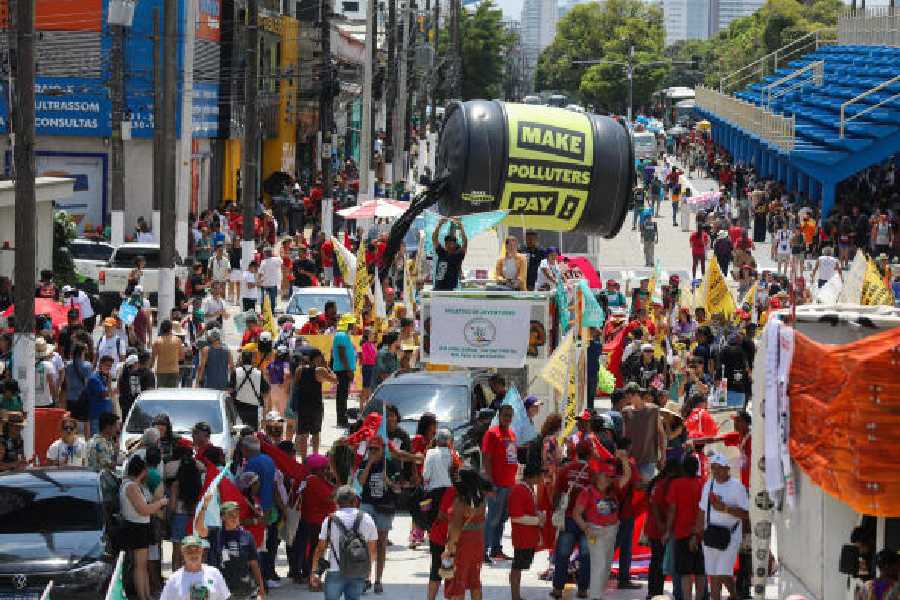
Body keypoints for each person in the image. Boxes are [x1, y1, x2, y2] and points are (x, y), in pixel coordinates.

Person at [572, 452, 633, 600]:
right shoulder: (588, 492)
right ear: (598, 475)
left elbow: (627, 477)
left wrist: (624, 461)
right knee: (598, 565)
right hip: (595, 533)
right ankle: (595, 596)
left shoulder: (613, 490)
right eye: (605, 476)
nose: (608, 479)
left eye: (611, 477)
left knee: (606, 567)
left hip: (611, 532)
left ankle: (598, 593)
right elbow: (576, 513)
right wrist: (585, 528)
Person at [309, 485, 378, 600]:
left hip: (335, 570)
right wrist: (368, 571)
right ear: (355, 500)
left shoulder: (330, 520)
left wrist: (314, 572)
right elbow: (372, 549)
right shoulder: (367, 518)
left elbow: (320, 549)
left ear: (336, 502)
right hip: (358, 570)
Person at [195, 497, 267, 600]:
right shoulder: (215, 533)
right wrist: (204, 508)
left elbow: (254, 564)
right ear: (223, 517)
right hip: (221, 590)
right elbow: (199, 529)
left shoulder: (247, 536)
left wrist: (261, 589)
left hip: (244, 590)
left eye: (237, 514)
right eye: (230, 515)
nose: (235, 517)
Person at [699, 454, 749, 600]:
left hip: (731, 535)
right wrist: (698, 532)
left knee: (720, 573)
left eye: (719, 468)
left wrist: (725, 509)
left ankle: (731, 595)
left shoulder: (737, 487)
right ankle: (733, 596)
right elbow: (702, 509)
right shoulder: (709, 485)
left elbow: (746, 513)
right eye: (713, 468)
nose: (715, 472)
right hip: (711, 534)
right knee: (714, 574)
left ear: (727, 469)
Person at [122, 454, 170, 600]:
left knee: (142, 566)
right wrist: (161, 503)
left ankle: (147, 595)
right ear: (141, 471)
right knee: (140, 566)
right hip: (136, 528)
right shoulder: (131, 487)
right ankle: (143, 596)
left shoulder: (132, 485)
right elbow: (144, 510)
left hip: (140, 527)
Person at [357, 436, 400, 593]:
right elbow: (361, 482)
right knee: (366, 542)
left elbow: (398, 488)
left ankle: (378, 579)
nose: (373, 452)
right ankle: (366, 577)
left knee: (381, 543)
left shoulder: (391, 465)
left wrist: (387, 480)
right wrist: (369, 463)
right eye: (371, 449)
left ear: (383, 449)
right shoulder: (364, 463)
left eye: (376, 449)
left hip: (384, 506)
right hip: (368, 504)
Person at [551, 440, 593, 599]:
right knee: (586, 555)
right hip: (586, 521)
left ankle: (557, 589)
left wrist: (556, 511)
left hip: (568, 519)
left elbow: (556, 494)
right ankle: (582, 589)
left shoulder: (565, 469)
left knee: (562, 554)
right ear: (589, 454)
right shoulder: (593, 473)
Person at [443, 468, 492, 600]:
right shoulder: (481, 499)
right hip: (477, 543)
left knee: (458, 583)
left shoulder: (460, 502)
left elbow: (455, 531)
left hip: (462, 546)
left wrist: (449, 549)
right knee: (475, 580)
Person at [666, 454, 705, 600]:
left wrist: (668, 530)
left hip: (682, 533)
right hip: (700, 533)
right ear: (697, 468)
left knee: (685, 572)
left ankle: (687, 598)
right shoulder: (702, 483)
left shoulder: (676, 484)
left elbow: (672, 509)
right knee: (700, 571)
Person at [481, 404, 517, 562]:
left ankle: (496, 549)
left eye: (510, 415)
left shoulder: (512, 434)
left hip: (509, 483)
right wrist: (489, 481)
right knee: (492, 518)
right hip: (496, 483)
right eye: (505, 415)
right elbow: (486, 457)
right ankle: (483, 551)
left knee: (502, 518)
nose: (507, 418)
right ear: (499, 415)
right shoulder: (492, 433)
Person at [508, 463, 545, 600]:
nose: (542, 478)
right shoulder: (519, 490)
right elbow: (516, 516)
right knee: (517, 566)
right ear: (534, 476)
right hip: (522, 537)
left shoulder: (528, 489)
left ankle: (516, 595)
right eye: (541, 476)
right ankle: (515, 596)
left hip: (528, 536)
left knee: (519, 566)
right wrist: (537, 520)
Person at [292, 348, 336, 458]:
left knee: (303, 434)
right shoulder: (320, 370)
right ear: (317, 358)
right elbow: (335, 380)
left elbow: (296, 385)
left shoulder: (299, 369)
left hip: (302, 405)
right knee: (315, 434)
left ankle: (303, 460)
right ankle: (315, 457)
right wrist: (328, 367)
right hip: (315, 406)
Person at [159, 534, 231, 600]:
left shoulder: (214, 573)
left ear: (202, 551)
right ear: (182, 552)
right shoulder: (173, 579)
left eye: (197, 550)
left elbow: (225, 597)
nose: (193, 554)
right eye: (189, 551)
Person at [621, 381, 666, 481]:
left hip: (648, 459)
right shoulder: (625, 411)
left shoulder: (653, 410)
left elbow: (662, 434)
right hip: (631, 460)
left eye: (629, 396)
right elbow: (624, 436)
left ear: (637, 394)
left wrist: (663, 456)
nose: (627, 399)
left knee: (645, 490)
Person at [230, 350, 269, 430]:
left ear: (242, 359)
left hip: (238, 408)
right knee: (253, 432)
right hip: (254, 409)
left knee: (239, 432)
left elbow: (230, 389)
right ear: (251, 360)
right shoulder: (259, 373)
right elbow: (266, 390)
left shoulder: (235, 372)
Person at [331, 317, 357, 427]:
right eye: (353, 324)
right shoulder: (341, 335)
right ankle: (341, 420)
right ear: (348, 324)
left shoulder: (343, 335)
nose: (354, 326)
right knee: (342, 396)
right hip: (343, 371)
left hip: (344, 370)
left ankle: (342, 419)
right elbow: (342, 354)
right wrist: (348, 370)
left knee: (343, 396)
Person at [433, 217, 468, 291]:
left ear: (455, 244)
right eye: (447, 242)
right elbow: (434, 238)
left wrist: (461, 226)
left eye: (451, 242)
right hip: (438, 288)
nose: (449, 244)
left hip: (450, 290)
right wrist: (439, 224)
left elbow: (465, 243)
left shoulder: (458, 255)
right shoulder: (442, 253)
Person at [152, 319, 185, 388]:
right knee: (172, 395)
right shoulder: (177, 340)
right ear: (171, 329)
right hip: (174, 371)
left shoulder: (157, 342)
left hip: (161, 371)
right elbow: (182, 356)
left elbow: (153, 358)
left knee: (161, 395)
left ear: (161, 329)